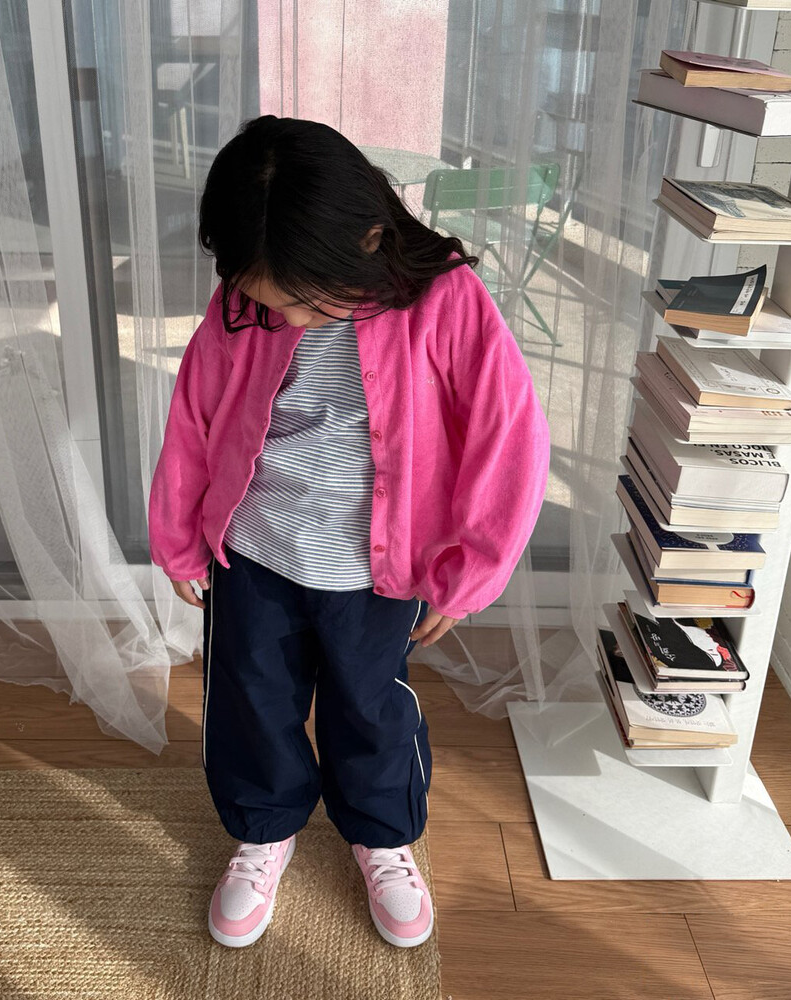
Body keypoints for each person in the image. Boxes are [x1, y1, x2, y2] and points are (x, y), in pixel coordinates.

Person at [148, 114, 550, 950]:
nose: (286, 319)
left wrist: (470, 572)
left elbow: (508, 437)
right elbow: (196, 412)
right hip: (254, 552)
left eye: (301, 301)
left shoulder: (445, 299)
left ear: (366, 237)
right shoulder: (244, 303)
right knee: (250, 701)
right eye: (270, 303)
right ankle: (263, 830)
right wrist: (179, 535)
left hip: (377, 573)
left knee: (370, 710)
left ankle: (382, 837)